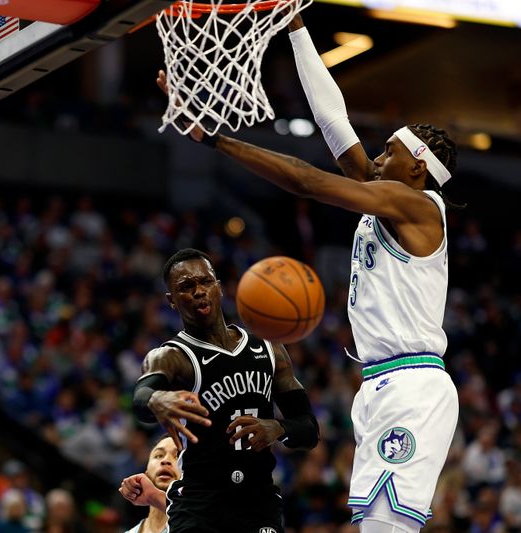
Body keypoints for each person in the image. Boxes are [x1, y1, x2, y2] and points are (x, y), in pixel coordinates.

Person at [154, 13, 460, 531]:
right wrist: (295, 28)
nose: (376, 156)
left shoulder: (420, 206)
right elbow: (334, 124)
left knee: (388, 528)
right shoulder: (388, 196)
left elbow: (304, 181)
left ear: (418, 167)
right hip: (382, 384)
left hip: (413, 386)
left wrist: (215, 139)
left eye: (389, 151)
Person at [132, 248, 319, 533]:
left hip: (258, 501)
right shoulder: (172, 356)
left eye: (205, 282)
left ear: (218, 287)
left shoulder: (268, 347)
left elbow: (309, 430)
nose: (198, 292)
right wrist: (157, 398)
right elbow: (141, 397)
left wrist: (278, 428)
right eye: (186, 287)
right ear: (171, 301)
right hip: (200, 504)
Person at [119, 435, 181, 533]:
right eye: (159, 455)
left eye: (178, 456)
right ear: (146, 473)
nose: (165, 461)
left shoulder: (200, 523)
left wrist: (154, 497)